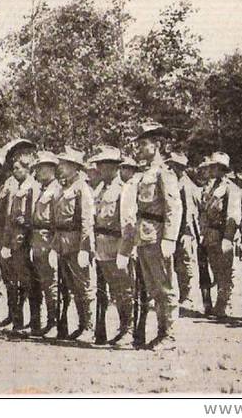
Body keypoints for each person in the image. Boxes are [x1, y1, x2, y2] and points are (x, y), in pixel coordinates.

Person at [129, 121, 182, 350]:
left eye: (144, 144)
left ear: (157, 145)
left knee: (165, 286)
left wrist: (170, 238)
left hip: (158, 237)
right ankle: (161, 332)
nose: (139, 148)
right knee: (153, 288)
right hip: (144, 236)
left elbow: (173, 207)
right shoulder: (145, 173)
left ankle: (169, 335)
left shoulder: (164, 173)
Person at [48, 147, 96, 341]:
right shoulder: (63, 188)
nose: (61, 167)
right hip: (62, 243)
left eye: (65, 164)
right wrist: (53, 246)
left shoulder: (82, 188)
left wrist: (85, 248)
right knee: (70, 286)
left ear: (75, 167)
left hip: (76, 243)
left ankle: (89, 326)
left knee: (83, 286)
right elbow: (55, 221)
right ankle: (80, 324)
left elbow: (86, 221)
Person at [91, 145, 137, 345]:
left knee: (125, 289)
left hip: (117, 244)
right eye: (99, 165)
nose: (99, 169)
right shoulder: (100, 188)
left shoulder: (124, 189)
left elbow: (128, 222)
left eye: (103, 165)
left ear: (113, 167)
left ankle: (127, 330)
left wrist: (125, 251)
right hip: (102, 246)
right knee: (112, 290)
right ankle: (120, 327)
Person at [199, 152, 242, 321]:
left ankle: (224, 305)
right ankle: (220, 303)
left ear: (221, 169)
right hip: (210, 235)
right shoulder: (211, 187)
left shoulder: (231, 188)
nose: (210, 169)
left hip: (222, 234)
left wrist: (228, 238)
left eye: (213, 167)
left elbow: (233, 217)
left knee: (225, 271)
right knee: (216, 270)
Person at [0, 153, 41, 333]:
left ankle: (34, 322)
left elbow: (33, 218)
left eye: (18, 168)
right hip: (14, 240)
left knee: (29, 283)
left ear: (28, 169)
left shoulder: (34, 187)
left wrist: (30, 242)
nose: (14, 171)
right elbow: (9, 217)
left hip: (26, 240)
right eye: (13, 168)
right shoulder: (15, 187)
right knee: (15, 281)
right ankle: (18, 321)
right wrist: (6, 243)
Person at [27, 150, 61, 338]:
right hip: (38, 240)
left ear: (51, 169)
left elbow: (56, 221)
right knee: (43, 282)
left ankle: (54, 321)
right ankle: (48, 321)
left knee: (51, 283)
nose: (37, 172)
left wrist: (54, 246)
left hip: (48, 240)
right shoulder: (41, 190)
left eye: (41, 168)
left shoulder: (56, 190)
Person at [166, 152, 201, 311]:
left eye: (173, 166)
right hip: (174, 230)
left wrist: (186, 233)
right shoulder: (173, 183)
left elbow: (189, 212)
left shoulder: (186, 185)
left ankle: (186, 297)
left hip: (184, 231)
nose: (170, 168)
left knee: (185, 264)